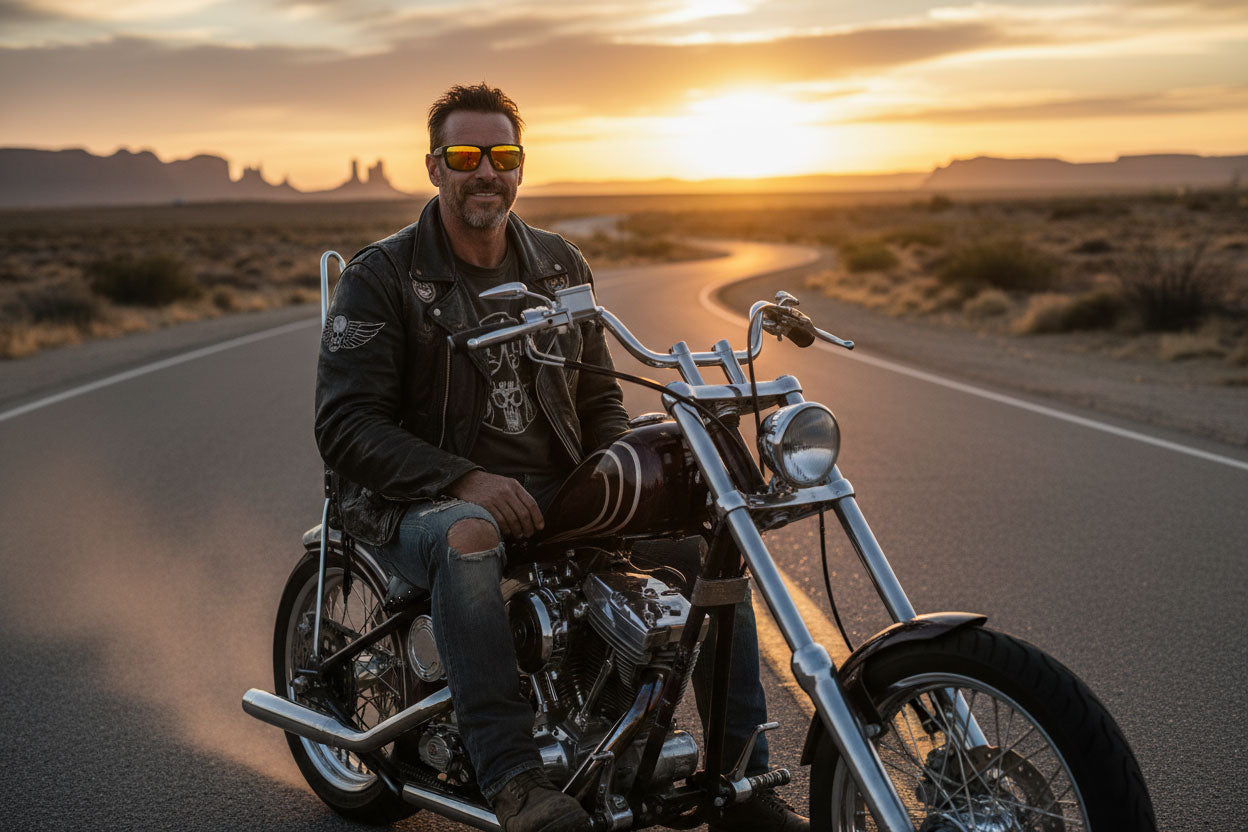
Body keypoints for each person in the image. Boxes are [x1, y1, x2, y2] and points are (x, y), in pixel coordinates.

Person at [315, 83, 808, 832]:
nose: (486, 171)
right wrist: (464, 479)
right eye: (465, 155)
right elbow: (345, 424)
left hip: (552, 489)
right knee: (472, 536)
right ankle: (514, 781)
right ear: (434, 167)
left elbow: (600, 400)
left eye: (502, 155)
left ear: (521, 167)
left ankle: (738, 779)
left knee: (704, 537)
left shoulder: (557, 263)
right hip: (413, 498)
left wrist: (621, 472)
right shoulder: (383, 276)